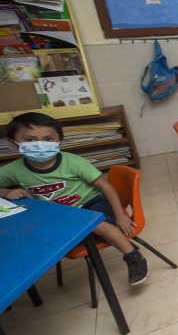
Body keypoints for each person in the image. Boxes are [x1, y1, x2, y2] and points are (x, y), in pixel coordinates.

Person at [0, 113, 149, 285]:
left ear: (59, 140)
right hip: (59, 213)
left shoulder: (73, 162)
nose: (40, 145)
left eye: (48, 139)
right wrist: (5, 192)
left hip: (90, 203)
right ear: (13, 142)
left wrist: (120, 214)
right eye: (30, 140)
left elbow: (105, 186)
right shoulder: (13, 170)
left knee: (98, 225)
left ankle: (133, 256)